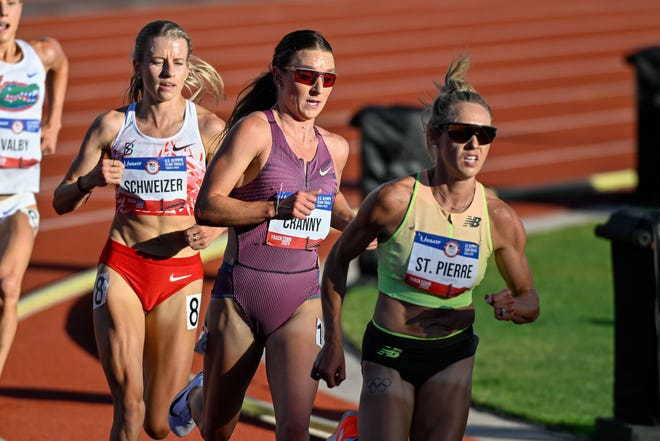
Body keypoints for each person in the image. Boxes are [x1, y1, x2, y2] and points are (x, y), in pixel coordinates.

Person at [312, 54, 541, 441]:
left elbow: (530, 299)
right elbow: (336, 262)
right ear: (434, 137)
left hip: (453, 355)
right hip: (390, 351)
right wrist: (333, 341)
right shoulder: (394, 201)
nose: (473, 144)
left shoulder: (500, 218)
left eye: (484, 135)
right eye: (460, 132)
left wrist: (518, 307)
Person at [168, 29, 357, 441]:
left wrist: (368, 226)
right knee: (217, 430)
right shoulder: (256, 130)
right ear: (279, 76)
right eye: (307, 76)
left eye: (329, 79)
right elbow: (208, 205)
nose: (318, 88)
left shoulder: (336, 148)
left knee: (294, 431)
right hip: (241, 296)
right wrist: (275, 208)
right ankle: (198, 395)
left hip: (302, 300)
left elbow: (331, 202)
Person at [52, 20, 225, 441]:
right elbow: (61, 200)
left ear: (188, 69)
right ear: (138, 66)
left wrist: (215, 233)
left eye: (177, 63)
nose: (167, 73)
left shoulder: (208, 130)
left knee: (159, 424)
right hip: (123, 267)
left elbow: (232, 204)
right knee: (129, 405)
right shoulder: (112, 127)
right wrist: (89, 181)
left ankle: (193, 391)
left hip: (180, 274)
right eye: (157, 62)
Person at [0, 0, 68, 380]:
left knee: (8, 287)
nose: (2, 12)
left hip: (17, 201)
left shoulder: (38, 55)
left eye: (9, 2)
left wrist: (53, 121)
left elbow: (60, 62)